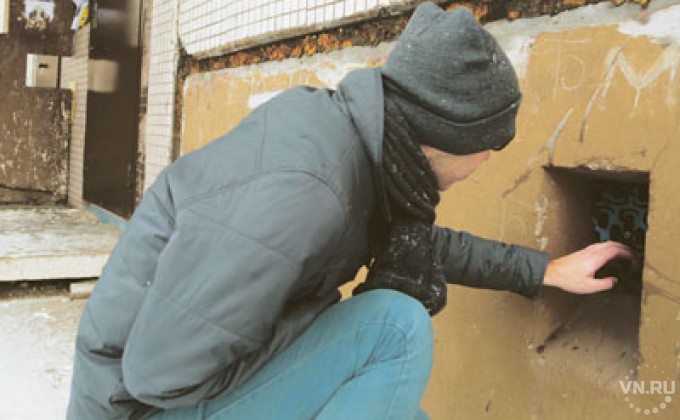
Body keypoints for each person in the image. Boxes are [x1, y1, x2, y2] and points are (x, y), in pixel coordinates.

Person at [67, 3, 633, 419]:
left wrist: (543, 270)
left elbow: (414, 244)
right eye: (491, 145)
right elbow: (159, 374)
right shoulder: (308, 198)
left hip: (163, 387)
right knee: (393, 329)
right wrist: (318, 319)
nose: (488, 161)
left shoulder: (357, 143)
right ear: (447, 136)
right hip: (141, 407)